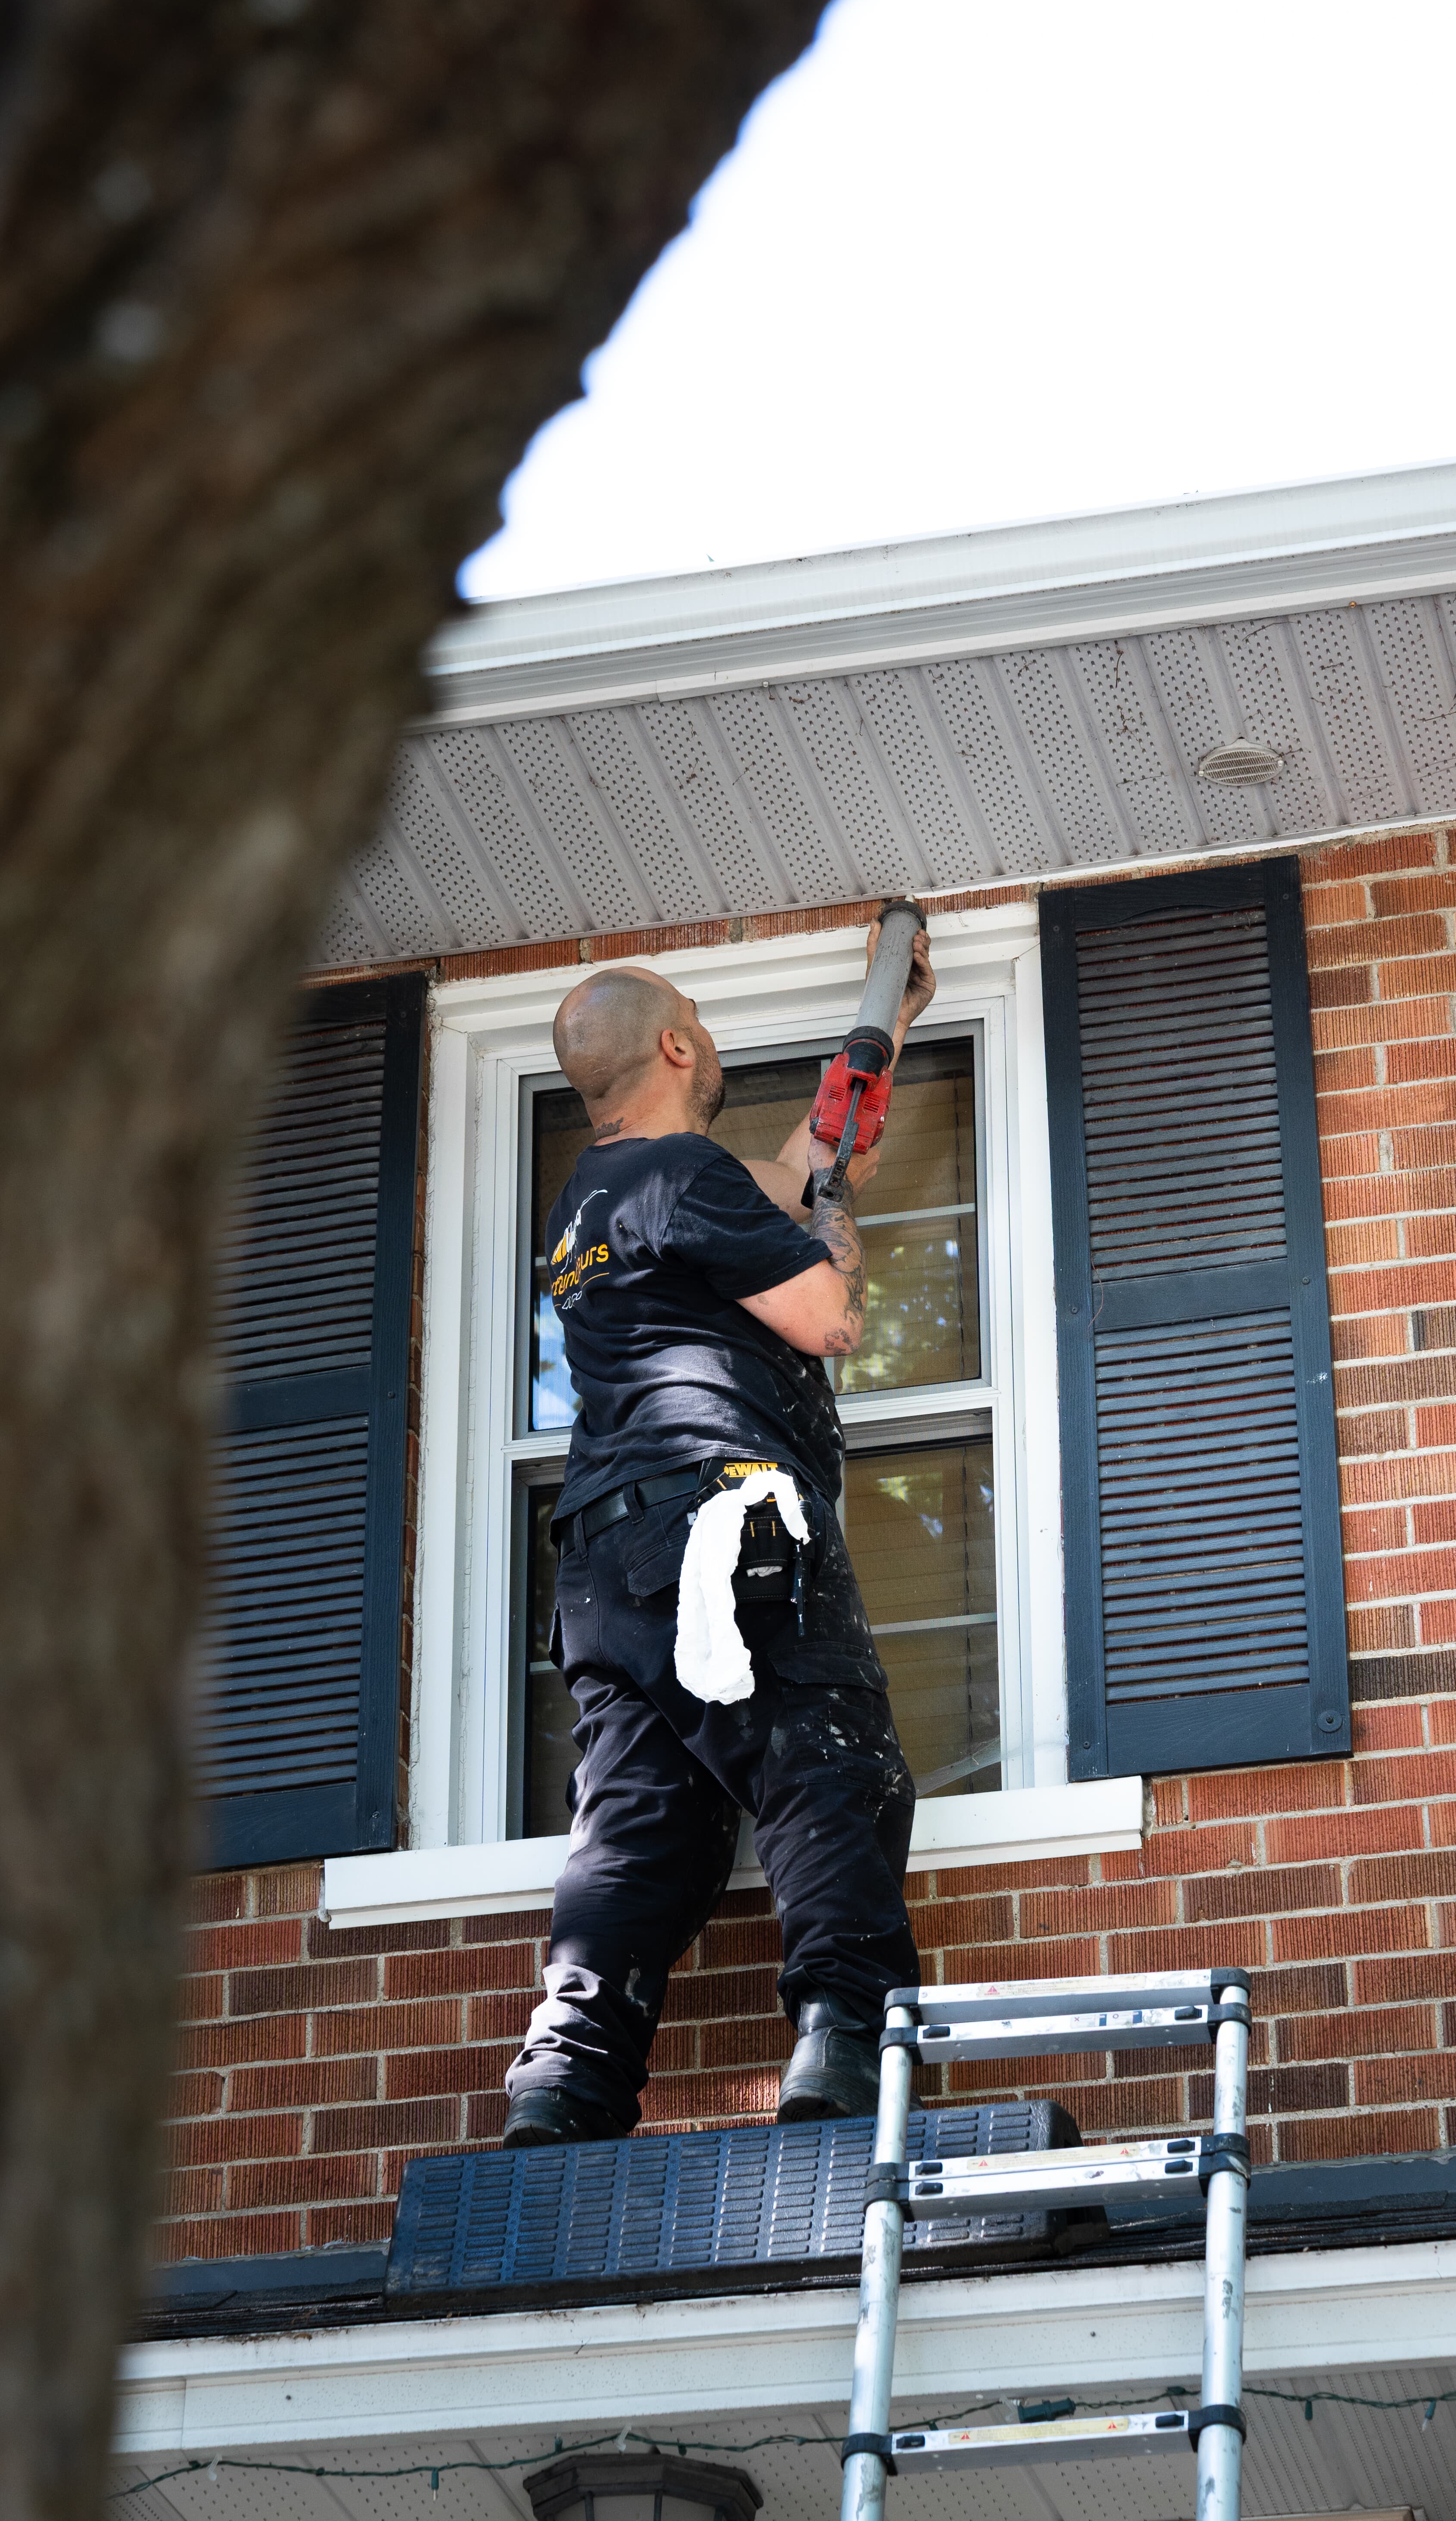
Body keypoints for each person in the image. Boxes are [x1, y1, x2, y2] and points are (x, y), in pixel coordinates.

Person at [501, 917, 938, 2147]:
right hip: (726, 1518)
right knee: (826, 1764)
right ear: (683, 1044)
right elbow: (826, 1316)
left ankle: (566, 2079)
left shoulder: (594, 1201)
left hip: (607, 1564)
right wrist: (837, 1230)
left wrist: (881, 1034)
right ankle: (848, 2048)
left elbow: (765, 1190)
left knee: (647, 1822)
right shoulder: (681, 1179)